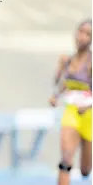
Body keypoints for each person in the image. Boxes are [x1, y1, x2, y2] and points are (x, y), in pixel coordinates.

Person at [50, 19, 92, 185]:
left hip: (89, 116)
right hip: (72, 112)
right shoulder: (68, 60)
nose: (82, 37)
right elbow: (61, 84)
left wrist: (88, 105)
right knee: (66, 158)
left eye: (87, 34)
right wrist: (55, 96)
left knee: (85, 169)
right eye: (80, 32)